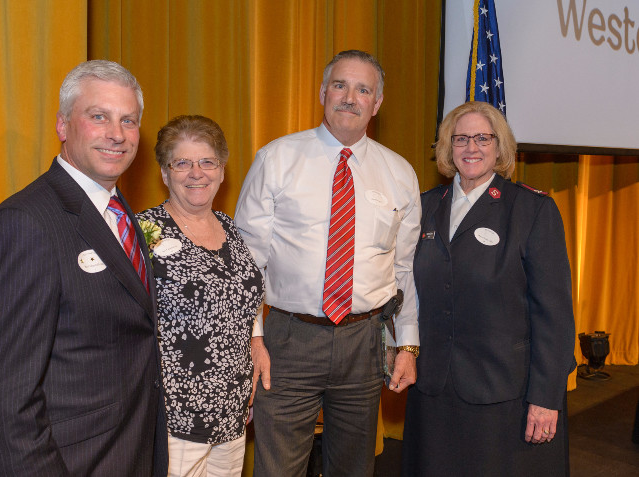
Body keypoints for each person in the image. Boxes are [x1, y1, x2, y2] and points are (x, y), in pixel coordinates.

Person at [0, 60, 167, 476]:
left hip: (127, 452)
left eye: (128, 120)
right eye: (98, 116)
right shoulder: (24, 224)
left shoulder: (120, 212)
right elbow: (4, 399)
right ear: (62, 125)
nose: (117, 133)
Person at [235, 50, 421, 477]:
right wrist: (254, 338)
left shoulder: (400, 173)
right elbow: (247, 263)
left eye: (363, 89)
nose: (349, 97)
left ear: (377, 103)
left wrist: (407, 344)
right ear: (322, 92)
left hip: (365, 342)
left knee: (354, 468)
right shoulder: (276, 159)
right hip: (287, 340)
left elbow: (405, 269)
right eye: (340, 85)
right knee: (278, 467)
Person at [401, 101, 576, 476]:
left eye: (483, 138)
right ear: (447, 147)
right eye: (460, 138)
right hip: (433, 389)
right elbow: (404, 290)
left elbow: (554, 315)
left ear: (500, 147)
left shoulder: (531, 210)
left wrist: (546, 398)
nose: (471, 148)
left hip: (503, 394)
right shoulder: (424, 208)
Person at [136, 115, 264, 477]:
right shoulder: (142, 231)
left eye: (207, 161)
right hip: (174, 417)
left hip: (232, 411)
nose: (197, 173)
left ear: (222, 171)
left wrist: (256, 339)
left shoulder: (230, 228)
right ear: (164, 173)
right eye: (182, 162)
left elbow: (243, 293)